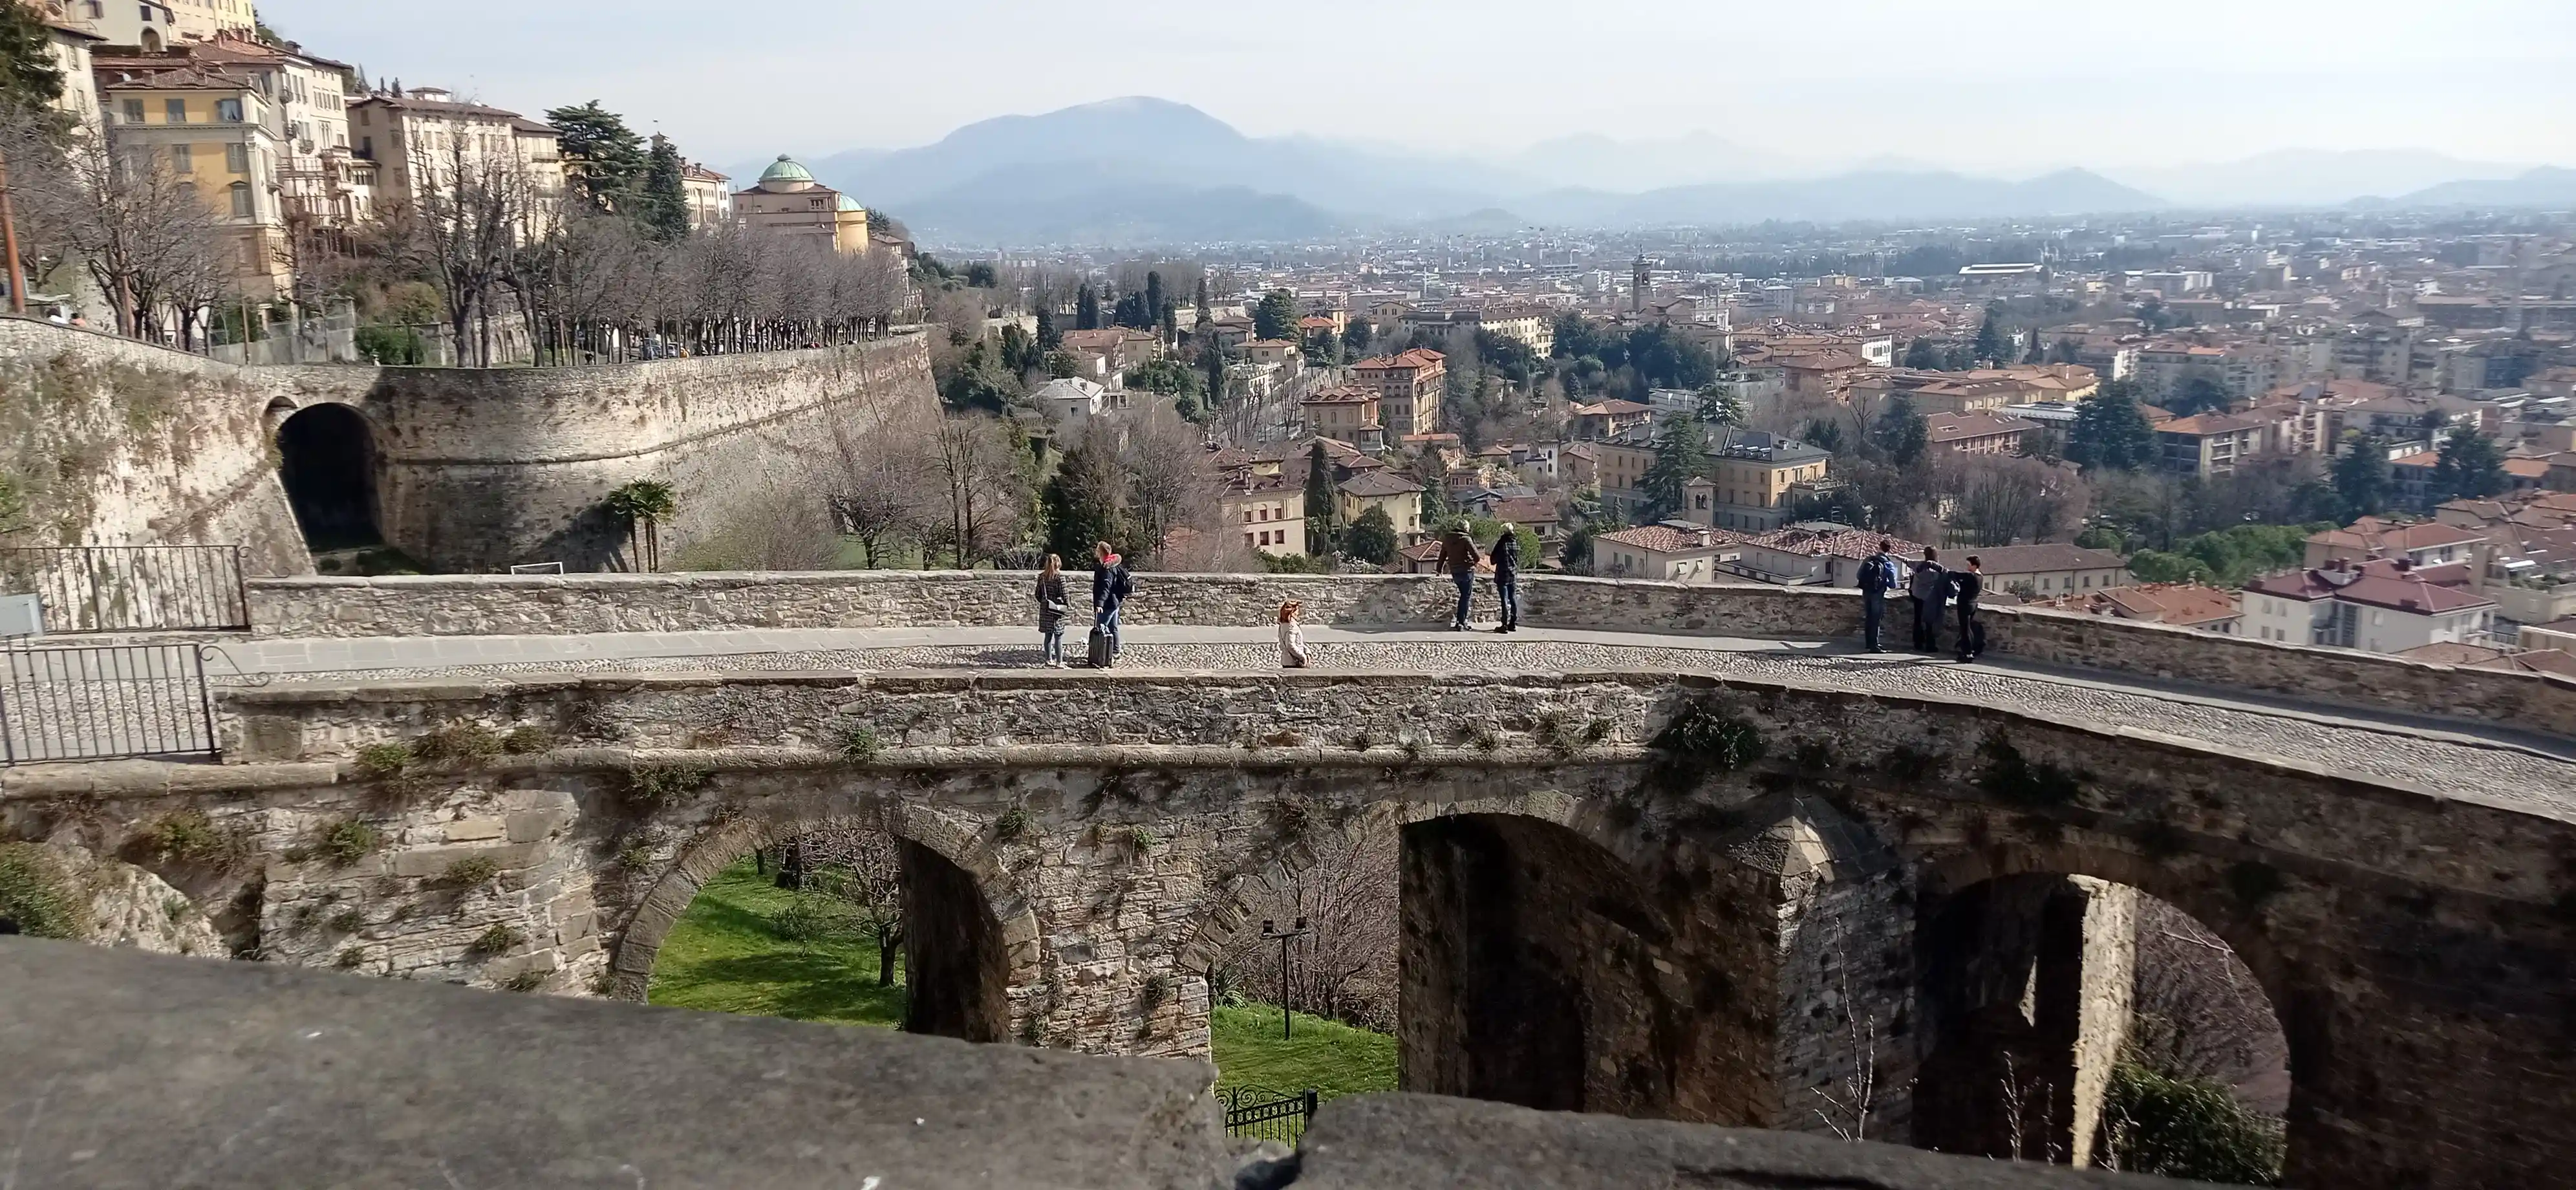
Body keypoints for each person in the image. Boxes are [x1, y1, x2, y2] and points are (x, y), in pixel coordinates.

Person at [1091, 541, 1131, 665]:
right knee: (1113, 628)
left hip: (1108, 604)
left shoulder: (1107, 568)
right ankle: (1115, 651)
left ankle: (1102, 655)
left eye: (1098, 551)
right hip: (1115, 602)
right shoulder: (1114, 563)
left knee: (1101, 627)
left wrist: (1100, 604)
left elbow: (1106, 588)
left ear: (1101, 552)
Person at [1858, 539, 1900, 653]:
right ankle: (1874, 645)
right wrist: (1883, 583)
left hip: (1866, 592)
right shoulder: (1888, 564)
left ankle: (1868, 643)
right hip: (1878, 593)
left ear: (1879, 547)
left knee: (1869, 617)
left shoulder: (1869, 559)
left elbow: (1858, 575)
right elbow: (1893, 584)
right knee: (1876, 619)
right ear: (1889, 550)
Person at [1438, 525, 1481, 630]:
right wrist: (1471, 562)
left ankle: (1460, 621)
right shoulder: (1466, 539)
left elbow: (1442, 555)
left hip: (1455, 572)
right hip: (1467, 571)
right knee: (1466, 597)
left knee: (1463, 596)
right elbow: (1477, 557)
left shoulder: (1447, 539)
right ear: (1466, 529)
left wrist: (1439, 570)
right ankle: (1461, 622)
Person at [1907, 547, 1948, 654]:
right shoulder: (1937, 570)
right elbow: (1946, 574)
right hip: (1931, 598)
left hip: (1917, 596)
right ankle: (1930, 645)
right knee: (1930, 622)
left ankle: (1918, 643)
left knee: (1918, 620)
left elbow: (1907, 563)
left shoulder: (1919, 567)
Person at [1035, 554, 1069, 667]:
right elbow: (1065, 595)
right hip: (1057, 610)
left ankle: (1048, 659)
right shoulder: (1060, 577)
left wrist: (1045, 602)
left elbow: (1037, 595)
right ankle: (1059, 661)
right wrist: (1067, 606)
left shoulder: (1042, 577)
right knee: (1058, 636)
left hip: (1046, 609)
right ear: (1058, 563)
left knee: (1048, 636)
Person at [1953, 554, 1987, 662]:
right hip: (1973, 604)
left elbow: (1955, 575)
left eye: (1969, 565)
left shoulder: (1970, 576)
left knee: (1965, 630)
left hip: (1965, 605)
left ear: (1974, 566)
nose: (1967, 567)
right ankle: (1969, 650)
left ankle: (1967, 654)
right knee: (1968, 628)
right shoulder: (1980, 577)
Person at [1488, 526, 1522, 634]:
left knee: (1504, 600)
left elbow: (1493, 560)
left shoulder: (1501, 544)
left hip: (1502, 574)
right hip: (1513, 574)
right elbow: (1517, 560)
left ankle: (1504, 624)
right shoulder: (1516, 543)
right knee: (1513, 599)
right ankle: (1513, 623)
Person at [1278, 601, 1309, 668]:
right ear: (1292, 612)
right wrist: (1303, 656)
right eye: (1297, 610)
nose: (1298, 613)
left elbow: (1297, 642)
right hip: (1294, 662)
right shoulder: (1292, 626)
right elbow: (1290, 645)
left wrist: (1306, 650)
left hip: (1287, 660)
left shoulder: (1283, 624)